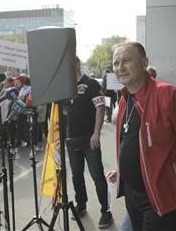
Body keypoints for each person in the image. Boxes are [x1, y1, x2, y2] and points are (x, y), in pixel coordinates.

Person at [107, 42, 176, 231]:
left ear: (144, 63)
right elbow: (134, 142)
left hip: (162, 196)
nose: (120, 67)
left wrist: (171, 175)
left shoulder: (168, 94)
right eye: (116, 63)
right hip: (132, 193)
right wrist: (125, 170)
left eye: (126, 61)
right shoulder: (126, 99)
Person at [66, 56, 113, 229]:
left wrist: (96, 134)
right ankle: (81, 205)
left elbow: (100, 108)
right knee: (76, 176)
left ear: (77, 63)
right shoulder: (65, 86)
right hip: (72, 139)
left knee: (97, 176)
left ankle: (106, 211)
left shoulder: (91, 83)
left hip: (89, 138)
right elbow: (65, 110)